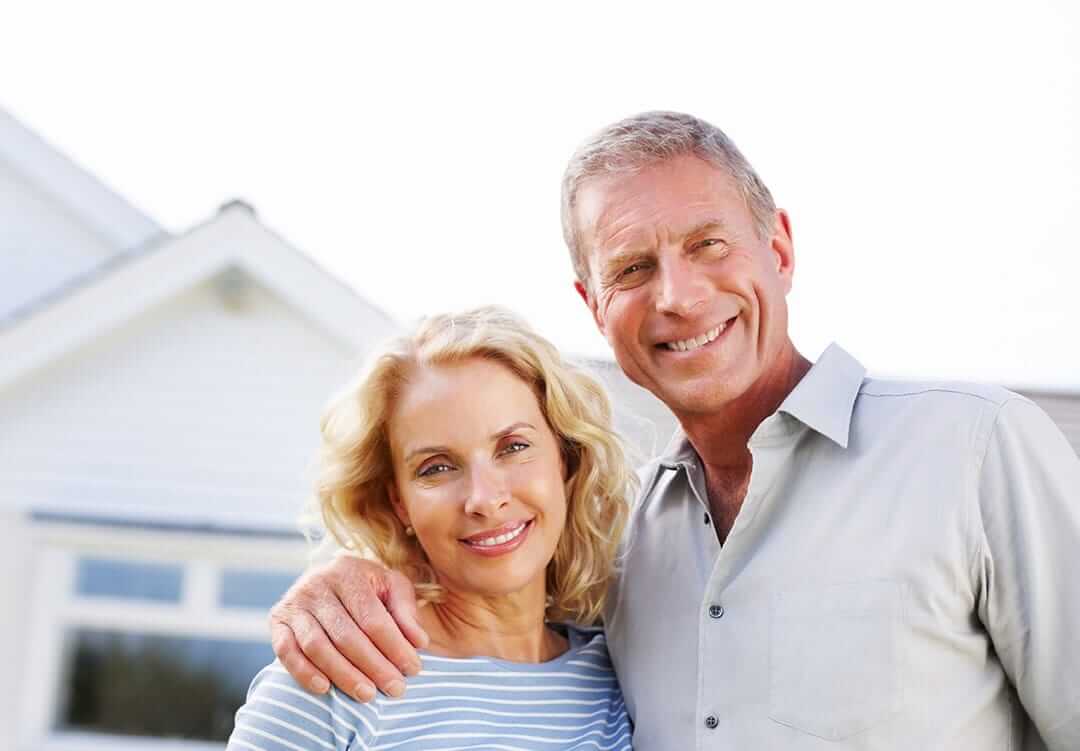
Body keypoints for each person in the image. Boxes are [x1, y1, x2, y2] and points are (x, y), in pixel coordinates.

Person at [266, 112, 1080, 749]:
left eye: (707, 244)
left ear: (781, 247)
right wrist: (347, 581)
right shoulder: (622, 552)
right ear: (593, 304)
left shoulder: (975, 450)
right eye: (631, 268)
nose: (678, 297)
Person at [228, 308, 635, 750]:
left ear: (566, 458)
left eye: (513, 447)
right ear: (399, 502)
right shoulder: (340, 674)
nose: (483, 497)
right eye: (436, 468)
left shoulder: (627, 673)